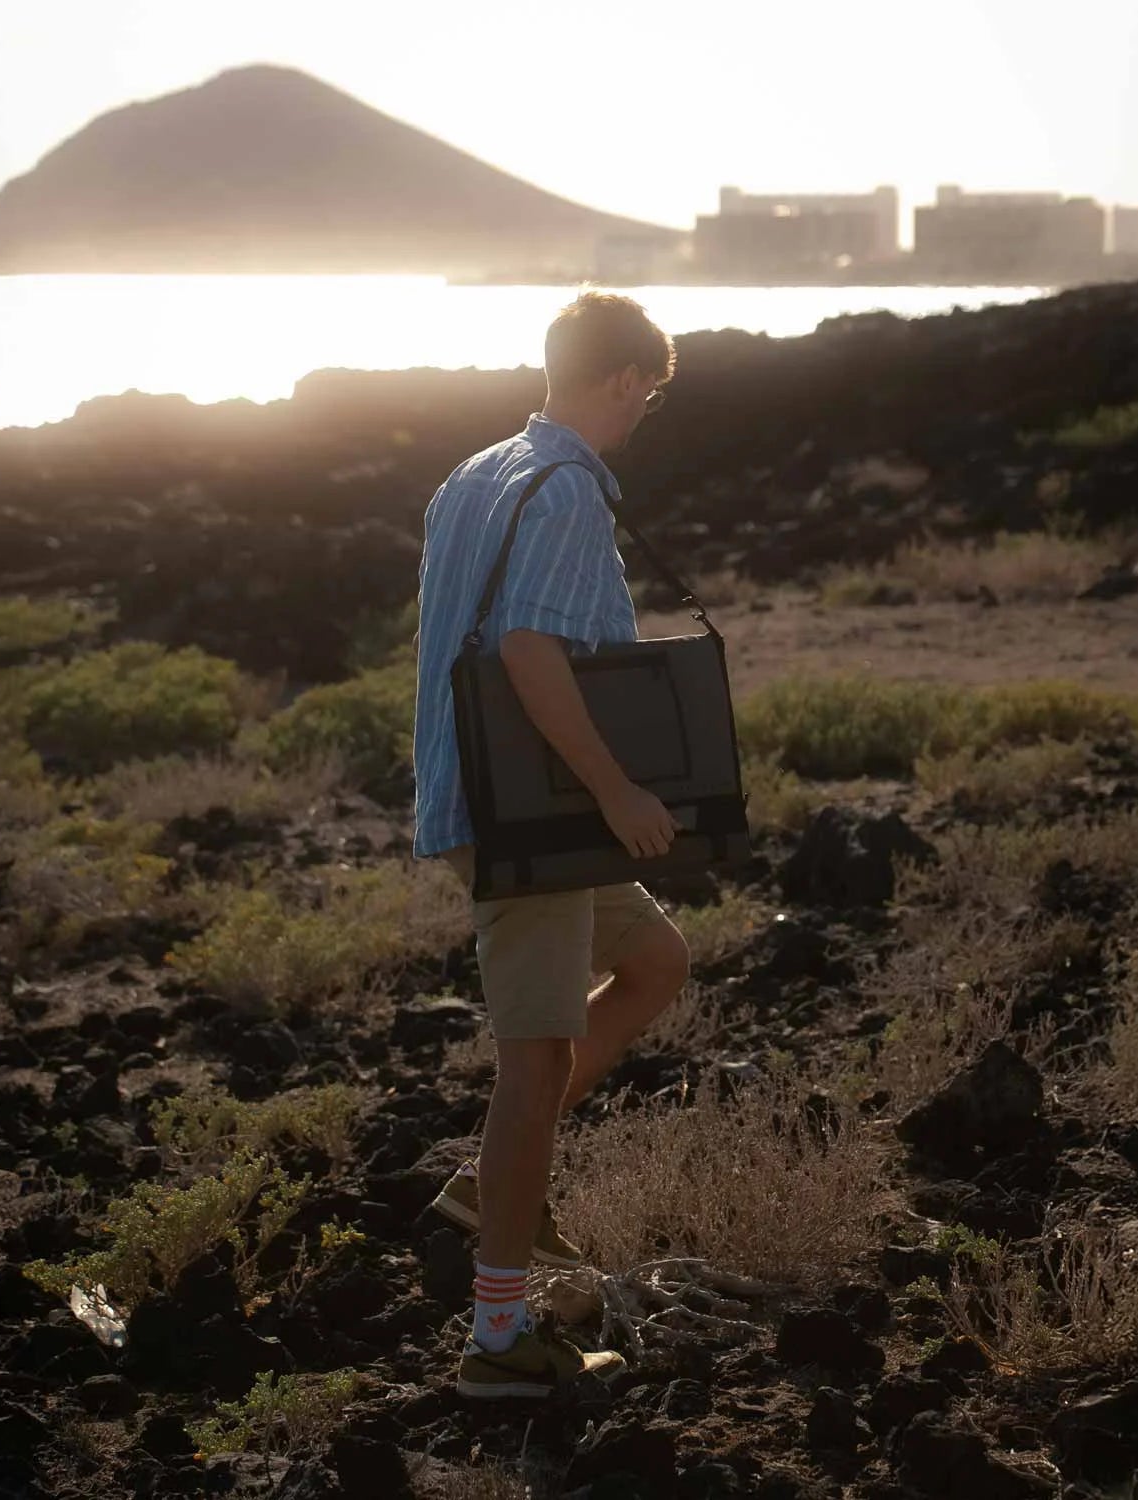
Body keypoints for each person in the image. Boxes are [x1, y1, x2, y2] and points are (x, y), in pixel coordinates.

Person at [411, 291, 693, 1400]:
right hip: (534, 822)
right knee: (534, 1066)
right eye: (649, 397)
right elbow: (530, 651)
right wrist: (619, 789)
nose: (643, 416)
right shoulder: (567, 487)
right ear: (624, 380)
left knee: (656, 961)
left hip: (498, 805)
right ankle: (497, 1342)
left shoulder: (477, 473)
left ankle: (490, 1189)